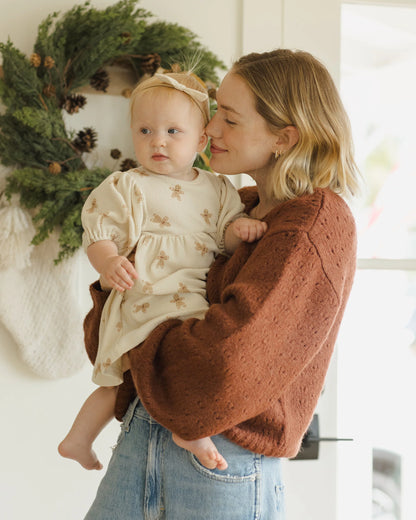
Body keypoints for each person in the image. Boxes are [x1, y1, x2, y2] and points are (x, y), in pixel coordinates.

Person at [82, 49, 360, 520]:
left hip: (221, 460)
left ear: (283, 137)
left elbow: (223, 365)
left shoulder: (312, 226)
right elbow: (103, 326)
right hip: (143, 433)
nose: (209, 130)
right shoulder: (232, 208)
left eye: (228, 119)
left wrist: (138, 339)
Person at [58, 72, 266, 472]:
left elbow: (225, 242)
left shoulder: (219, 188)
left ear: (201, 141)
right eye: (146, 130)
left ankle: (77, 439)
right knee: (153, 366)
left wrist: (241, 231)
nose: (158, 141)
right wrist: (108, 262)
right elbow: (99, 231)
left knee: (131, 376)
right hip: (146, 290)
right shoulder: (127, 185)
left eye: (173, 131)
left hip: (190, 291)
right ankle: (188, 428)